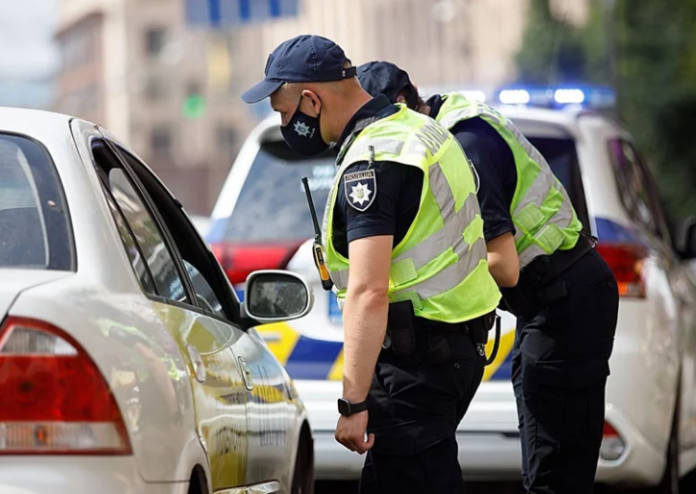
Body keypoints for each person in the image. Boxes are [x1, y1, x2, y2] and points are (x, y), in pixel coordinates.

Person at [241, 35, 502, 494]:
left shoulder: (374, 162)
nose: (285, 123)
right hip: (451, 347)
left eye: (284, 113)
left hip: (418, 361)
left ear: (311, 99)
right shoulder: (416, 130)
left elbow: (368, 289)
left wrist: (352, 402)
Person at [356, 60, 620, 494]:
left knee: (552, 471)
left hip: (566, 299)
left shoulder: (462, 145)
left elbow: (504, 265)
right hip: (554, 300)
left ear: (403, 104)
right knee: (551, 455)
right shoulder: (444, 130)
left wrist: (425, 295)